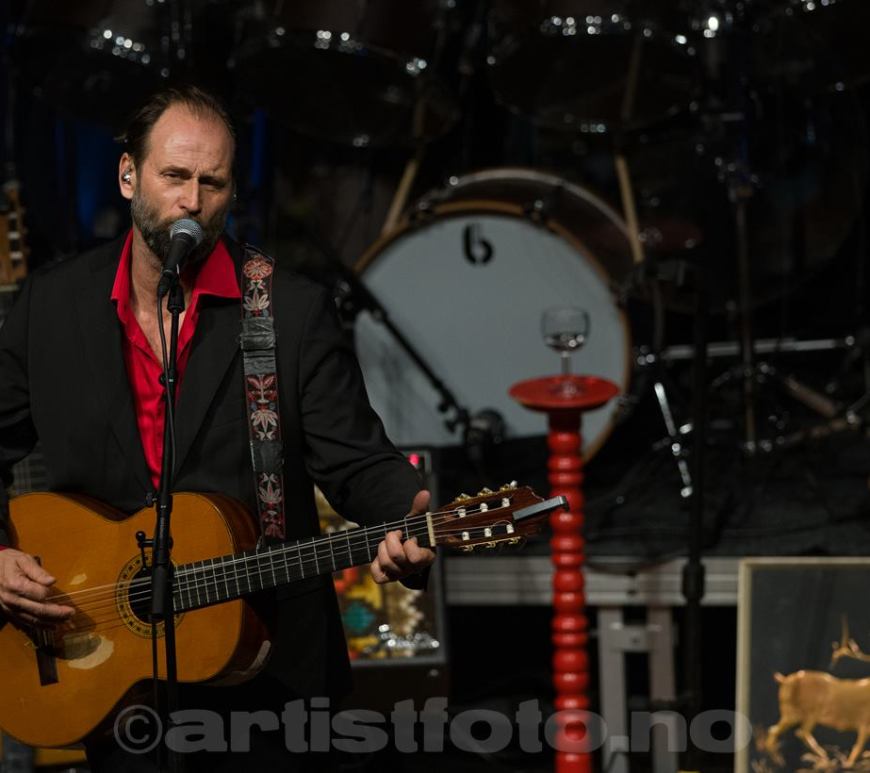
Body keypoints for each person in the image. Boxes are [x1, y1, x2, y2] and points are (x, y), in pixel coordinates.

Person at [0, 84, 435, 770]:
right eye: (174, 175)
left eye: (213, 182)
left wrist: (409, 520)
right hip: (109, 664)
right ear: (127, 175)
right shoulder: (50, 307)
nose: (191, 201)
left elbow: (357, 463)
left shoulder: (288, 312)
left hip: (265, 665)